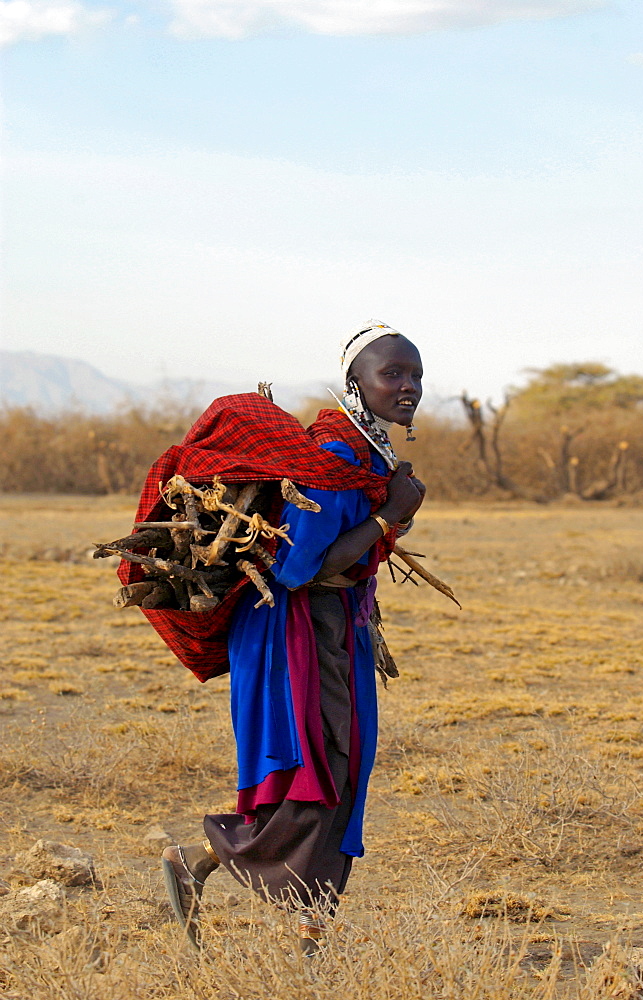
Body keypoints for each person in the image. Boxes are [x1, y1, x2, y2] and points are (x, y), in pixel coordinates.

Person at [162, 320, 425, 953]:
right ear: (355, 380)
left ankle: (211, 870)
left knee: (343, 768)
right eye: (393, 373)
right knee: (319, 771)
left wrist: (388, 512)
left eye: (416, 374)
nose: (409, 386)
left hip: (338, 630)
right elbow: (301, 565)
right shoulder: (334, 455)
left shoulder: (369, 449)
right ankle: (285, 917)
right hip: (293, 631)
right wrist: (392, 515)